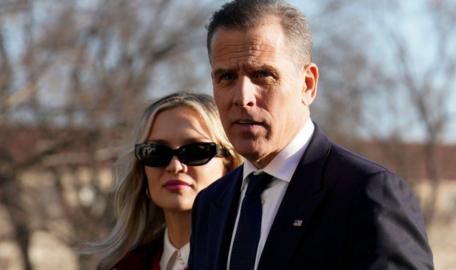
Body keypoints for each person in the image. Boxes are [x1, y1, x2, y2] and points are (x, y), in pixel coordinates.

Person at [188, 1, 434, 270]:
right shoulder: (210, 204)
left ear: (308, 84)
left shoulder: (368, 194)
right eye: (226, 77)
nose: (242, 97)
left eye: (262, 75)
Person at [86, 92, 242, 270]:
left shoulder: (255, 258)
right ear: (142, 169)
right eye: (156, 152)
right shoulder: (123, 265)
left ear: (229, 163)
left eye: (195, 150)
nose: (175, 166)